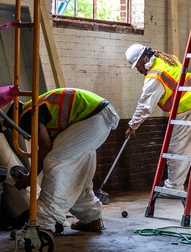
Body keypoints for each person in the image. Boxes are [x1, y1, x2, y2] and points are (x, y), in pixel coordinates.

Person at [14, 88, 119, 233]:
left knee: (55, 164)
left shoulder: (25, 115)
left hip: (93, 117)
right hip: (98, 117)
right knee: (76, 176)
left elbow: (45, 147)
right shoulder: (34, 106)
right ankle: (91, 218)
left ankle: (41, 225)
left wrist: (31, 177)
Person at [124, 44, 191, 195]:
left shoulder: (155, 76)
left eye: (138, 66)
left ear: (145, 58)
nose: (138, 70)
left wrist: (133, 125)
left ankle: (173, 188)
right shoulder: (169, 60)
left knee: (178, 149)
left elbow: (145, 106)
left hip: (186, 109)